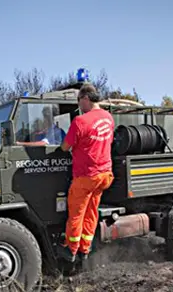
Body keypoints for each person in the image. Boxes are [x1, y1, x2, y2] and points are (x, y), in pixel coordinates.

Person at [57, 83, 115, 262]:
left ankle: (71, 251)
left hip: (86, 176)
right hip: (105, 174)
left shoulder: (80, 121)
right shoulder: (108, 118)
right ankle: (85, 249)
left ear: (85, 98)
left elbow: (65, 147)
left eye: (79, 101)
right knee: (91, 212)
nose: (78, 106)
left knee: (76, 214)